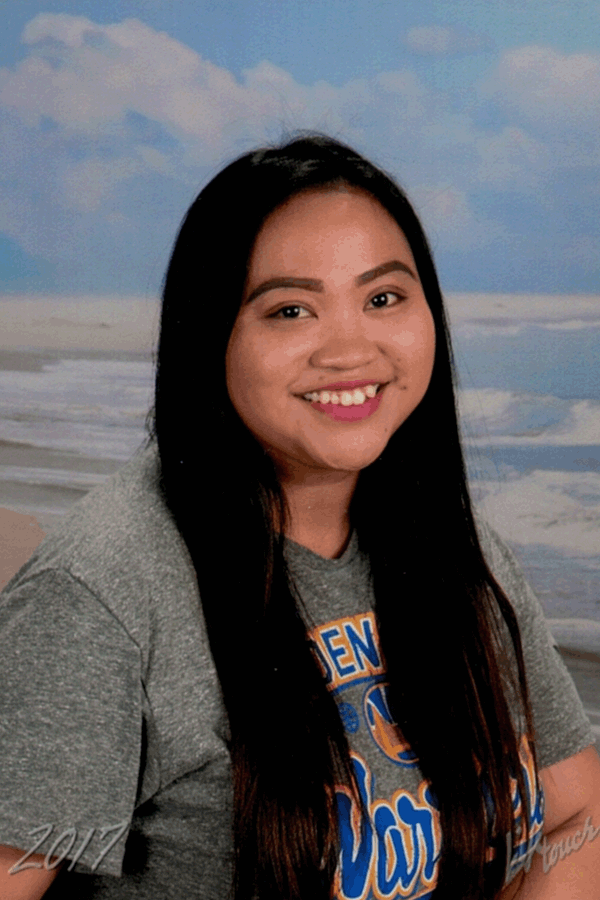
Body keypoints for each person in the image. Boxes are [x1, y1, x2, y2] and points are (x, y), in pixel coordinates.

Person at [0, 134, 598, 900]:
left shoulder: (455, 543)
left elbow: (576, 814)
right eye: (290, 310)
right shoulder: (101, 593)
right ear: (208, 337)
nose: (352, 348)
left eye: (384, 298)